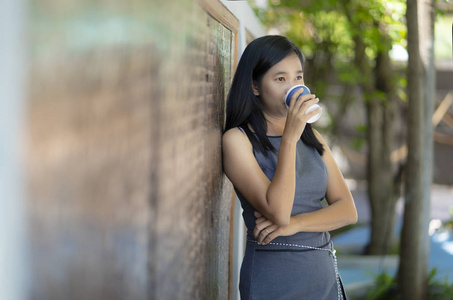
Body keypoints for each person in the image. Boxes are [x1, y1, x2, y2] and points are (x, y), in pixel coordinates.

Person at [222, 35, 358, 299]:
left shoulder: (313, 137)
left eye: (298, 78)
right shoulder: (237, 140)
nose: (293, 87)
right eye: (280, 79)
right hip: (273, 277)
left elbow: (347, 210)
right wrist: (290, 138)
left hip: (323, 275)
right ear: (255, 86)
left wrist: (295, 225)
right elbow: (278, 212)